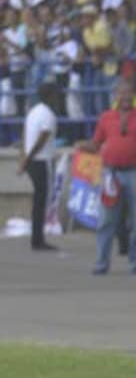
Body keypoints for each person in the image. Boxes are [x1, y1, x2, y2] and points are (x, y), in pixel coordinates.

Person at [77, 79, 136, 275]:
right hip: (110, 173)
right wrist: (83, 146)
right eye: (121, 93)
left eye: (129, 93)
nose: (125, 97)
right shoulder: (106, 117)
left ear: (135, 95)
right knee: (106, 220)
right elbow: (96, 143)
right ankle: (101, 262)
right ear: (115, 96)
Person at [17, 81, 59, 252]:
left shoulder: (33, 111)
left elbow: (25, 135)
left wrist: (23, 159)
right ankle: (38, 239)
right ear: (50, 96)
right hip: (41, 160)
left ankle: (37, 237)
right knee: (42, 200)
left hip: (32, 160)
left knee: (38, 201)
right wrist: (28, 158)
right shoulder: (49, 115)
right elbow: (41, 140)